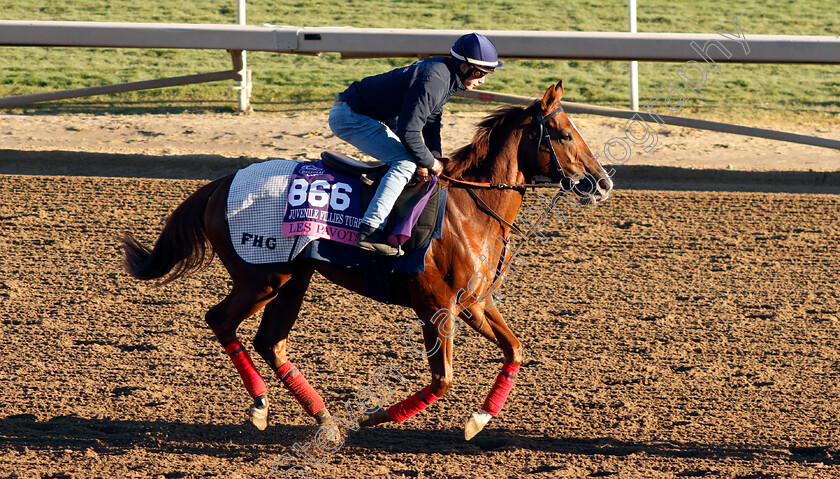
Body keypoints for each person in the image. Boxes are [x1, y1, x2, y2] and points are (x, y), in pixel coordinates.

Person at [329, 32, 504, 256]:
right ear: (464, 67)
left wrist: (435, 157)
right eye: (480, 73)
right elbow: (409, 131)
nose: (482, 80)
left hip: (373, 115)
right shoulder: (435, 80)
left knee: (418, 159)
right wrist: (430, 162)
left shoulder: (445, 74)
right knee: (405, 162)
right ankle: (370, 230)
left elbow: (431, 120)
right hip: (351, 116)